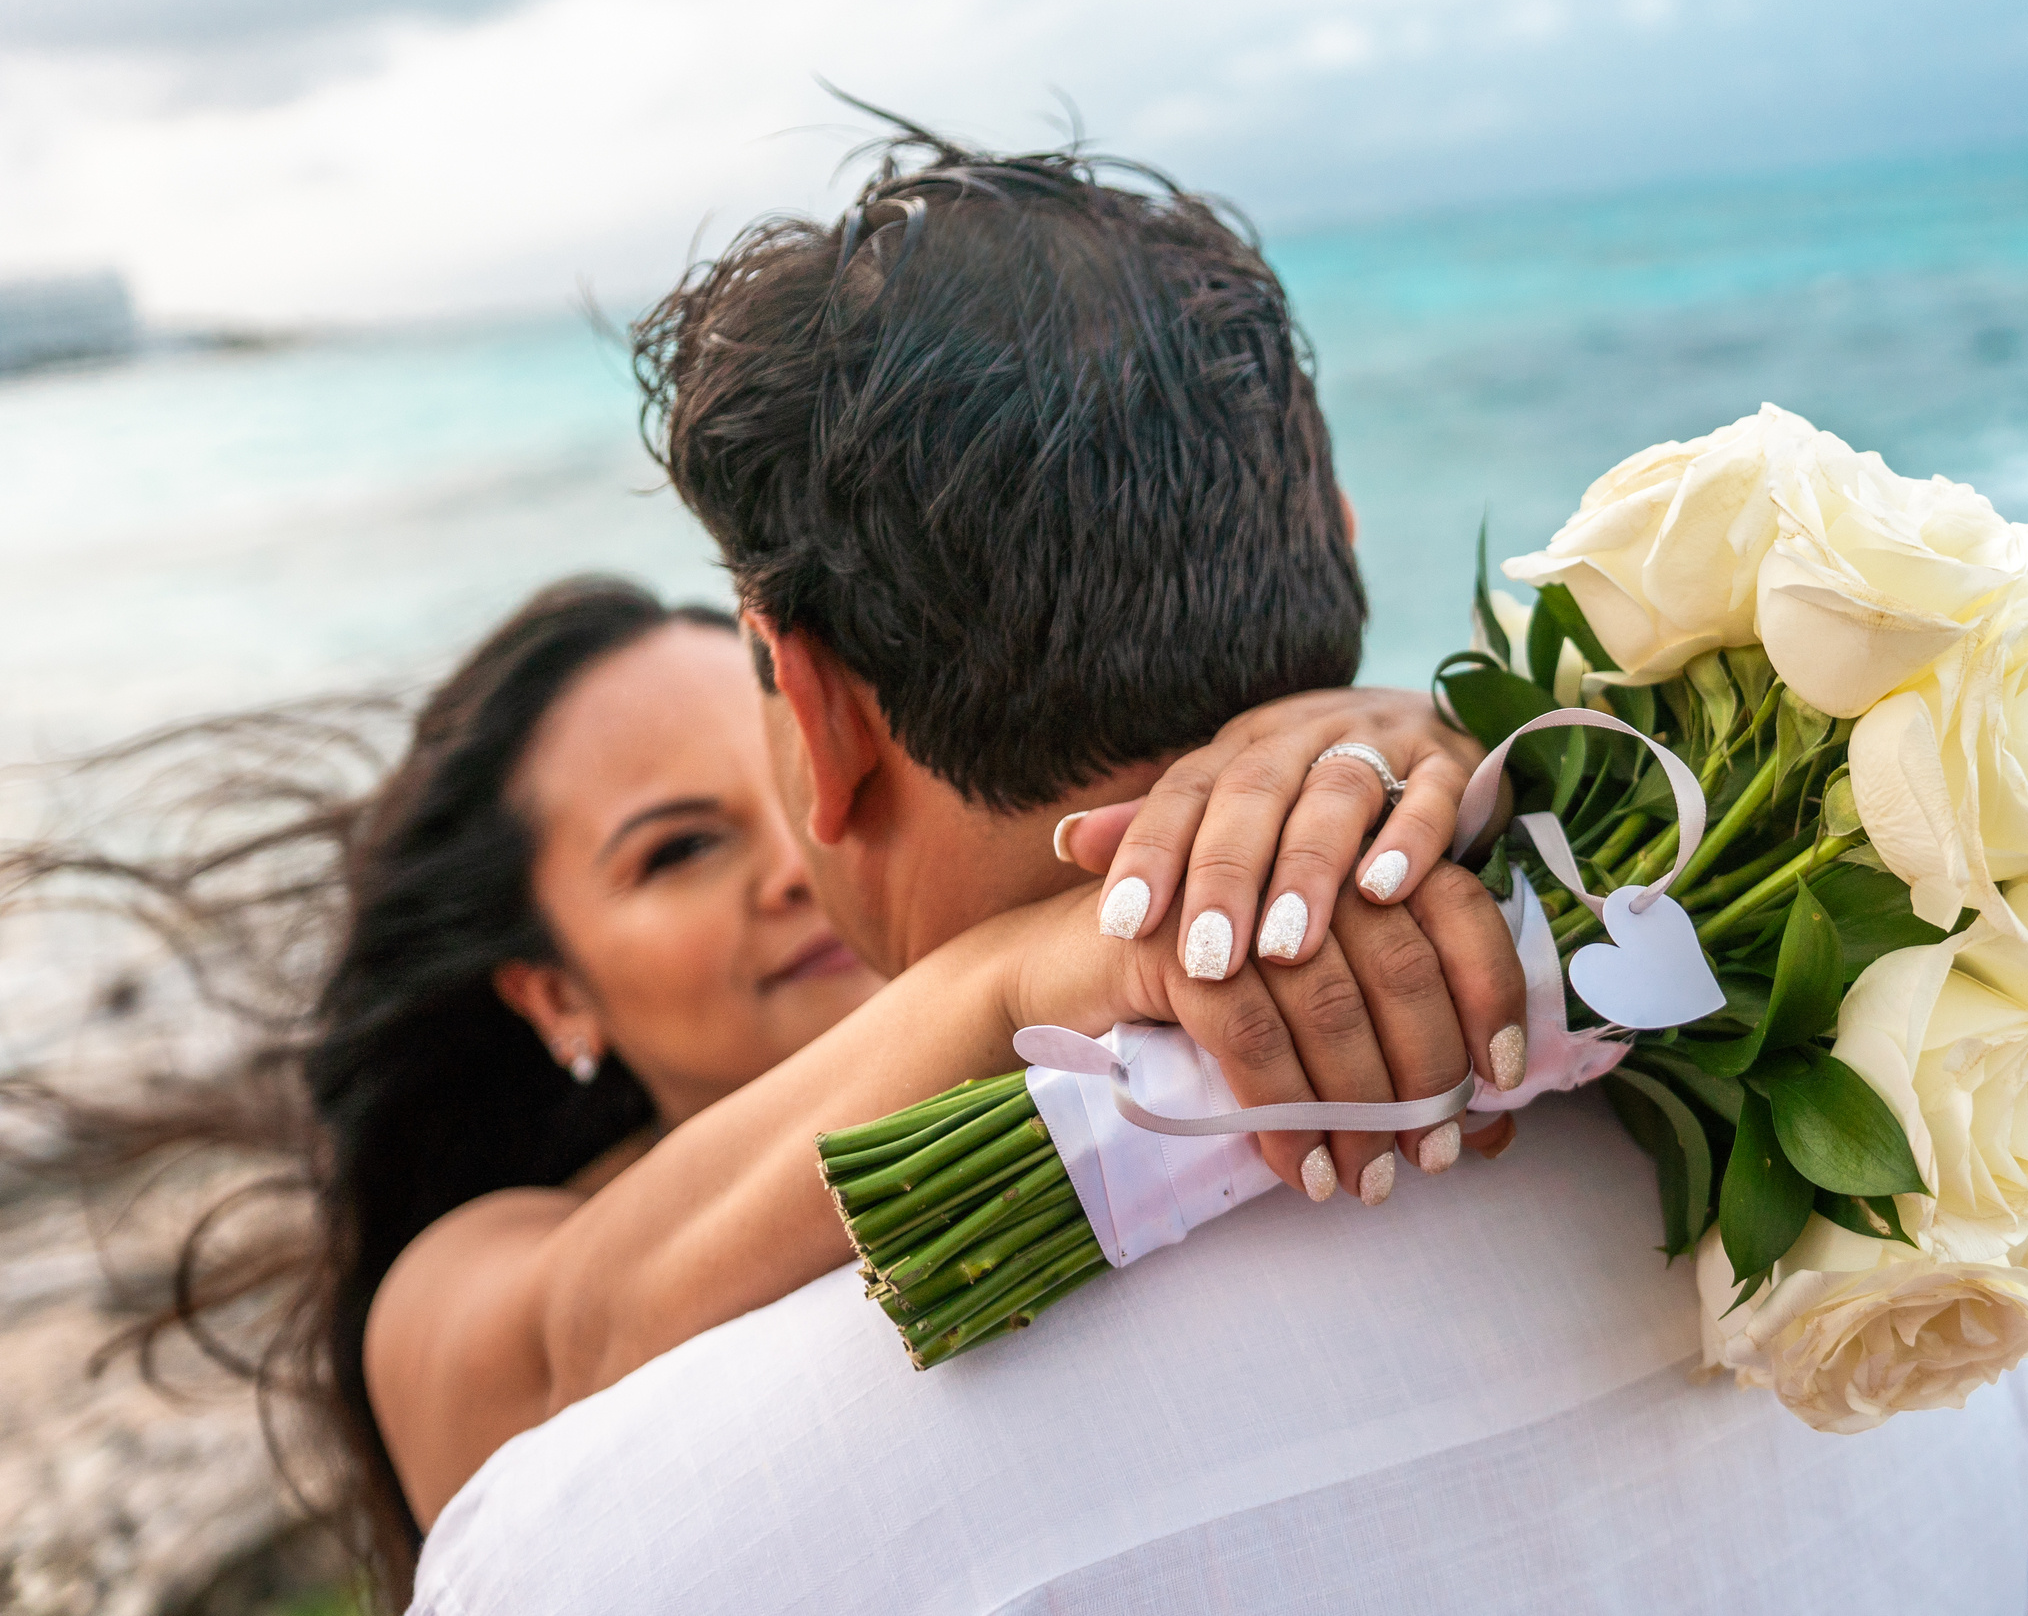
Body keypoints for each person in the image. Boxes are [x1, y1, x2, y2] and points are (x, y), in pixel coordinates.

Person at [406, 124, 2028, 1614]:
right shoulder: (1940, 1267)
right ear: (1341, 537)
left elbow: (563, 1353)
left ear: (819, 711)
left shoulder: (626, 1545)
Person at [3, 576, 1507, 1605]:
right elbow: (570, 1341)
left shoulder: (1080, 1071)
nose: (794, 857)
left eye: (777, 783)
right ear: (553, 991)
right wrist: (1023, 961)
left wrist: (1339, 773)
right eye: (675, 848)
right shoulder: (464, 1286)